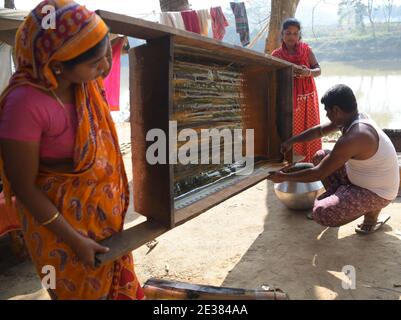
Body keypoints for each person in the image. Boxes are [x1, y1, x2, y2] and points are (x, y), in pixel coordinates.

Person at [0, 0, 144, 300]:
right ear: (57, 63)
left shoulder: (83, 86)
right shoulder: (25, 105)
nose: (105, 68)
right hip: (62, 234)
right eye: (95, 64)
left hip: (106, 226)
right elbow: (24, 189)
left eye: (107, 56)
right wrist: (76, 241)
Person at [267, 84, 400, 234]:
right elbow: (319, 131)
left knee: (322, 213)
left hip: (377, 192)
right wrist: (292, 141)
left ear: (336, 110)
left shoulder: (355, 136)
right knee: (320, 156)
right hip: (362, 179)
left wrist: (284, 177)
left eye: (327, 111)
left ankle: (370, 213)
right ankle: (344, 196)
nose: (327, 116)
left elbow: (319, 173)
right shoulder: (352, 118)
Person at [272, 18, 322, 163]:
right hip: (288, 97)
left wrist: (308, 73)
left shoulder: (306, 50)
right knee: (292, 128)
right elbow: (272, 77)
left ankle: (312, 162)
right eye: (288, 33)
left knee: (311, 126)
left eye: (295, 33)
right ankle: (293, 163)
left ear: (299, 35)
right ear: (282, 34)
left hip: (308, 96)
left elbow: (318, 70)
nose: (291, 37)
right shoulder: (277, 55)